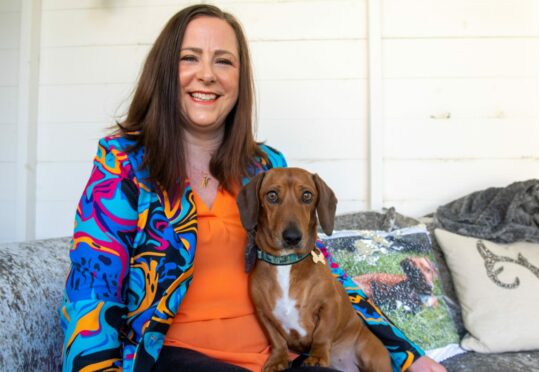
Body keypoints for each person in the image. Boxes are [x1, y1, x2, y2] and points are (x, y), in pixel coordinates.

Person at [59, 4, 445, 372]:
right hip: (179, 357)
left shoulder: (266, 167)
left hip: (278, 358)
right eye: (189, 58)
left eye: (223, 61)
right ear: (164, 71)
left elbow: (325, 272)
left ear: (239, 79)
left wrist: (407, 354)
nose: (207, 74)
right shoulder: (123, 162)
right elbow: (93, 289)